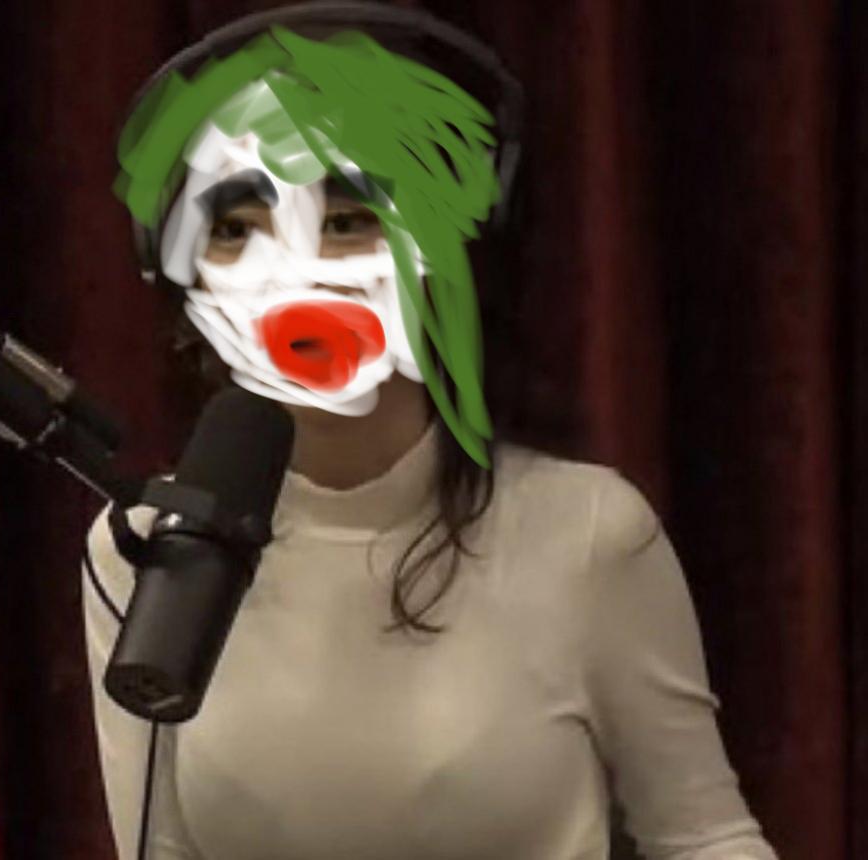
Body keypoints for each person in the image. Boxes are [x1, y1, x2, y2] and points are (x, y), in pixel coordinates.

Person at [82, 5, 780, 859]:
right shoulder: (141, 551)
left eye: (347, 220)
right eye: (234, 229)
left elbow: (706, 838)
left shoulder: (589, 534)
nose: (292, 271)